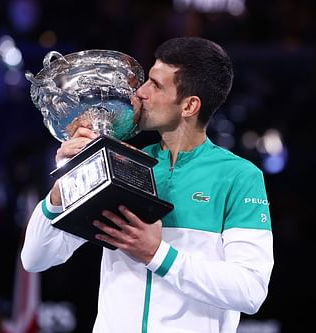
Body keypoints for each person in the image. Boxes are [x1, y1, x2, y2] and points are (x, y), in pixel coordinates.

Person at [21, 37, 274, 333]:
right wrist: (66, 183)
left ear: (190, 105)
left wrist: (157, 254)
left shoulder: (238, 177)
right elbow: (35, 258)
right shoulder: (122, 162)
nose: (140, 92)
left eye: (155, 85)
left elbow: (250, 291)